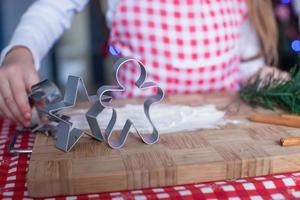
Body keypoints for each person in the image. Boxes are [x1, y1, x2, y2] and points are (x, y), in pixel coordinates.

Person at [0, 0, 288, 127]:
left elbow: (246, 65)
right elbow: (52, 9)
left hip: (224, 128)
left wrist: (272, 81)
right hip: (136, 130)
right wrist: (21, 53)